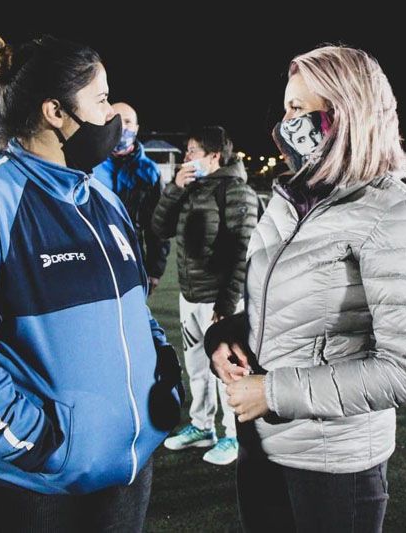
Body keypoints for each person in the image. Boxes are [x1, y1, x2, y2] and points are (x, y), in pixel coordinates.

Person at [0, 33, 183, 532]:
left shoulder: (103, 201)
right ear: (55, 112)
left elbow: (135, 311)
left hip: (124, 476)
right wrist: (37, 442)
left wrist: (162, 372)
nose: (113, 117)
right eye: (102, 100)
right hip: (24, 489)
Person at [204, 45, 406, 532]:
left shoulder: (394, 215)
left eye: (298, 108)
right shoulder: (292, 198)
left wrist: (272, 392)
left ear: (342, 114)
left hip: (335, 466)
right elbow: (284, 311)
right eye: (286, 107)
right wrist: (227, 337)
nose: (284, 122)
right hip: (264, 446)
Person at [152, 126, 258, 466]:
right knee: (196, 366)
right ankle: (202, 426)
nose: (187, 158)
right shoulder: (191, 187)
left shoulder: (237, 191)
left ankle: (233, 435)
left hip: (219, 301)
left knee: (228, 370)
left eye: (192, 151)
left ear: (214, 156)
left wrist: (227, 306)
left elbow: (243, 252)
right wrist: (173, 189)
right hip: (190, 296)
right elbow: (159, 229)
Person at [93, 102, 170, 293]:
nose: (122, 126)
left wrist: (155, 268)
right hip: (93, 255)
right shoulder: (87, 163)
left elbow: (157, 224)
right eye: (115, 120)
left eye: (128, 121)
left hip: (132, 258)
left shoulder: (149, 171)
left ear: (136, 128)